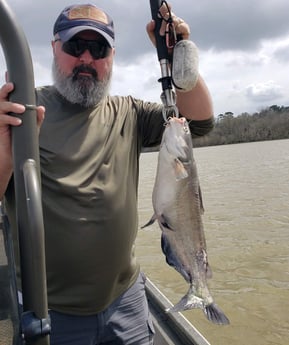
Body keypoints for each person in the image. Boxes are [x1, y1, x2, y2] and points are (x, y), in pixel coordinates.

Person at [0, 3, 214, 345]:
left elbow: (199, 124)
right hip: (52, 313)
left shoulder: (129, 112)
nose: (87, 58)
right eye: (75, 46)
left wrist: (179, 62)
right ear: (54, 48)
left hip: (126, 300)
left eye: (98, 48)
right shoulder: (22, 110)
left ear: (111, 56)